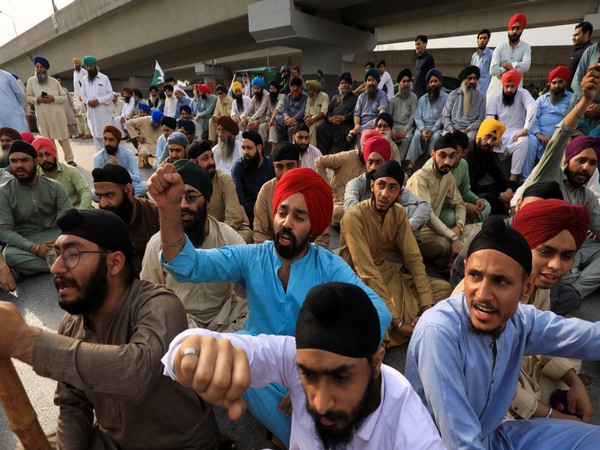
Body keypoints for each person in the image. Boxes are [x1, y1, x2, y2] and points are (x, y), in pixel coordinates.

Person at [147, 165, 392, 447]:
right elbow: (186, 266)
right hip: (261, 371)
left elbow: (379, 312)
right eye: (282, 212)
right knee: (233, 348)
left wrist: (314, 377)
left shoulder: (328, 266)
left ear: (315, 225)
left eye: (299, 216)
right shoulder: (252, 257)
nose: (286, 223)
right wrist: (167, 211)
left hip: (314, 370)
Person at [0, 208, 219, 448]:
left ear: (114, 262)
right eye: (56, 254)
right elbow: (73, 404)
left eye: (72, 254)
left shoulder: (159, 304)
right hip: (112, 440)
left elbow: (138, 374)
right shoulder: (72, 323)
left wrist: (27, 342)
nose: (55, 268)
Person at [163, 282, 446, 450]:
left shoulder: (410, 431)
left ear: (376, 361)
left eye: (341, 378)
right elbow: (197, 344)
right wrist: (192, 355)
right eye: (308, 375)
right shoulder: (296, 355)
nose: (320, 403)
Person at [405, 215, 600, 449]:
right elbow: (460, 441)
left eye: (500, 281)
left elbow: (588, 338)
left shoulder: (521, 320)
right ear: (465, 270)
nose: (482, 294)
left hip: (493, 435)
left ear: (526, 288)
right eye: (475, 276)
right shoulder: (439, 331)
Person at [340, 160, 451, 346]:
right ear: (372, 186)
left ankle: (413, 320)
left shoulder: (399, 214)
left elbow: (414, 258)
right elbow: (367, 272)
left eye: (392, 188)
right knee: (375, 317)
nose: (384, 193)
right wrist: (398, 322)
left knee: (444, 289)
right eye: (381, 185)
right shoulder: (354, 217)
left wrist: (426, 307)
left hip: (388, 273)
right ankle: (400, 325)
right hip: (357, 278)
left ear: (400, 193)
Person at [518, 66, 600, 300]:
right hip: (532, 255)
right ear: (567, 160)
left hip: (566, 257)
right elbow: (561, 135)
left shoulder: (586, 197)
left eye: (592, 163)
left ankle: (573, 292)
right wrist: (585, 101)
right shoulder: (549, 173)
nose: (586, 167)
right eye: (581, 160)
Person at [508, 199, 593, 423]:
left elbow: (543, 339)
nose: (556, 266)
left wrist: (574, 382)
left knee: (570, 356)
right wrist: (554, 416)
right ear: (521, 246)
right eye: (546, 251)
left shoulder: (538, 284)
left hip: (518, 365)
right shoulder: (490, 294)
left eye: (566, 256)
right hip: (490, 387)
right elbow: (492, 385)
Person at [141, 159, 247, 331]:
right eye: (177, 199)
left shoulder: (228, 237)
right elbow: (149, 295)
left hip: (225, 317)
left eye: (191, 197)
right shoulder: (156, 244)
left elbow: (253, 282)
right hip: (180, 321)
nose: (183, 206)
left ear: (207, 202)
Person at [0, 141, 71, 277]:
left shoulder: (54, 187)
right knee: (10, 255)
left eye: (24, 160)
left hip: (55, 236)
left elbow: (70, 218)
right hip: (26, 242)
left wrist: (61, 239)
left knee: (83, 240)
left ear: (36, 162)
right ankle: (68, 263)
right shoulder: (4, 192)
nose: (18, 165)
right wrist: (35, 248)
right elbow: (4, 230)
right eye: (13, 161)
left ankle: (29, 269)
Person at [343, 134, 432, 237]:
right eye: (370, 162)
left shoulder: (393, 186)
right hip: (364, 233)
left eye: (378, 162)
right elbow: (351, 208)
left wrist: (407, 227)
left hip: (390, 235)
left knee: (410, 210)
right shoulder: (355, 183)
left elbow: (425, 207)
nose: (373, 168)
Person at [406, 133, 473, 266]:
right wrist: (453, 237)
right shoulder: (420, 178)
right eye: (442, 155)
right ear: (433, 155)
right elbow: (428, 215)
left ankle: (446, 258)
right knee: (443, 243)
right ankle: (439, 260)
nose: (447, 161)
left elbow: (459, 204)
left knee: (477, 230)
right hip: (416, 233)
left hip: (436, 231)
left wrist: (459, 227)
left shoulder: (447, 177)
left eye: (452, 156)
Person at [253, 142, 329, 248]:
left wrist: (309, 258)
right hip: (275, 252)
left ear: (299, 163)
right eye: (279, 167)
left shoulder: (312, 188)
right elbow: (259, 234)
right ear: (273, 167)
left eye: (290, 166)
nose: (285, 173)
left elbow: (323, 236)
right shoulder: (266, 190)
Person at [93, 164, 159, 277]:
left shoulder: (155, 213)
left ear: (128, 190)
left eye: (109, 195)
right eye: (99, 197)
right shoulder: (101, 221)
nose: (103, 203)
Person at [188, 140, 253, 243]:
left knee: (247, 234)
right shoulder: (186, 186)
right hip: (196, 233)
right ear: (193, 162)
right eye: (205, 158)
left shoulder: (224, 180)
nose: (212, 162)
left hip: (223, 232)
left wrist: (216, 237)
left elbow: (234, 216)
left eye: (212, 157)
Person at [423, 130, 491, 224]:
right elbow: (433, 202)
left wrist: (476, 200)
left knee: (486, 205)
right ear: (433, 154)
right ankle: (465, 224)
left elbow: (465, 191)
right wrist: (465, 207)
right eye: (444, 155)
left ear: (464, 153)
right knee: (450, 219)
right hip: (438, 208)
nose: (448, 160)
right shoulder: (433, 169)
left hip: (456, 204)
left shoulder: (462, 165)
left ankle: (464, 223)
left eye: (453, 154)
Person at [522, 66, 573, 180]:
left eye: (560, 82)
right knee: (530, 143)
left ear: (566, 82)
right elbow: (532, 117)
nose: (556, 85)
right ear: (550, 84)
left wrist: (558, 134)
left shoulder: (572, 99)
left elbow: (572, 119)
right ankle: (524, 180)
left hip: (561, 134)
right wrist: (539, 134)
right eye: (554, 82)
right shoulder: (541, 99)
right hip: (539, 134)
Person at [486, 69, 537, 182]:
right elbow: (489, 116)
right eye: (507, 86)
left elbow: (532, 107)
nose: (509, 89)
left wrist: (526, 129)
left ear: (517, 86)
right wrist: (495, 134)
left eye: (512, 86)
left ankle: (513, 178)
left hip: (516, 132)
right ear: (503, 86)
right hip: (500, 133)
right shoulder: (497, 98)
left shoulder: (522, 93)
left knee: (523, 141)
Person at [25, 56, 76, 166]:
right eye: (37, 67)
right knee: (48, 142)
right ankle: (54, 161)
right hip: (43, 118)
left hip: (57, 116)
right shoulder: (31, 81)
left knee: (64, 139)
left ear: (46, 69)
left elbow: (64, 97)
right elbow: (28, 97)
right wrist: (37, 99)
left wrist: (53, 99)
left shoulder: (54, 82)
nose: (39, 69)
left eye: (41, 67)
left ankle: (70, 159)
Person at [466, 119, 515, 215]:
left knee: (514, 184)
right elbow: (472, 187)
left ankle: (509, 204)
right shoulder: (469, 154)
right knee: (489, 197)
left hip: (477, 189)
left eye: (493, 139)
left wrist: (508, 189)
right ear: (479, 136)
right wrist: (499, 195)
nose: (489, 142)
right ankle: (508, 209)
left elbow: (498, 175)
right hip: (468, 192)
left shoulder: (486, 151)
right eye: (487, 137)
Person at [406, 68, 448, 174]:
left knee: (436, 137)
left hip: (437, 128)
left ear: (440, 82)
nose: (433, 84)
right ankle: (410, 166)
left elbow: (443, 116)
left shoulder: (446, 98)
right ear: (428, 84)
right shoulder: (422, 99)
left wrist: (432, 130)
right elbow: (417, 117)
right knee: (415, 136)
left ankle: (430, 164)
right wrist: (423, 130)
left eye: (435, 81)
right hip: (423, 127)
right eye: (431, 82)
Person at [33, 137, 92, 209]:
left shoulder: (70, 170)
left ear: (55, 154)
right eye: (40, 156)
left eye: (48, 154)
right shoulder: (34, 176)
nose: (45, 159)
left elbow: (85, 191)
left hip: (75, 211)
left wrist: (81, 211)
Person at [231, 131, 275, 227]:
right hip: (248, 214)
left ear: (259, 148)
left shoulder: (271, 165)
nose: (245, 152)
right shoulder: (238, 167)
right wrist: (246, 222)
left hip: (270, 212)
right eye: (243, 148)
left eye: (249, 148)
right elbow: (238, 198)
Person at [487, 13, 531, 104]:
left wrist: (507, 65)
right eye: (512, 28)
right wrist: (513, 70)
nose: (514, 31)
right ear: (508, 30)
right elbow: (493, 70)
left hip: (515, 93)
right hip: (496, 91)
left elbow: (526, 66)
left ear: (522, 30)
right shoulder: (499, 48)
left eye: (518, 28)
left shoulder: (526, 47)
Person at [92, 126, 146, 197]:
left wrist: (119, 169)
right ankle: (123, 197)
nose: (107, 143)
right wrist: (108, 170)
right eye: (105, 139)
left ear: (118, 141)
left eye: (111, 140)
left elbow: (138, 178)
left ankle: (118, 198)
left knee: (145, 186)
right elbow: (98, 182)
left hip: (125, 186)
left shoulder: (128, 154)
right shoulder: (98, 157)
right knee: (92, 194)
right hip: (108, 189)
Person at [316, 72, 358, 154]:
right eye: (341, 83)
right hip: (332, 124)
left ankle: (339, 156)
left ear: (349, 84)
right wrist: (330, 118)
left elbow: (355, 112)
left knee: (347, 133)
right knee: (320, 129)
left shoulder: (354, 98)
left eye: (345, 83)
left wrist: (344, 118)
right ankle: (323, 155)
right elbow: (328, 110)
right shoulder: (335, 97)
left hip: (345, 124)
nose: (343, 85)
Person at [442, 65, 486, 141]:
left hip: (470, 130)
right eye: (469, 78)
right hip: (452, 128)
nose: (472, 81)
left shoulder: (482, 97)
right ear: (463, 80)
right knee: (446, 139)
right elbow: (445, 116)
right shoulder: (453, 95)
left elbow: (480, 119)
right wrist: (451, 130)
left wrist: (467, 129)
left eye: (475, 78)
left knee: (470, 138)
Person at [79, 55, 114, 151]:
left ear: (95, 66)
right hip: (92, 113)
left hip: (104, 114)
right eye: (87, 66)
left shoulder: (104, 78)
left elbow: (110, 94)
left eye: (91, 66)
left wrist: (99, 101)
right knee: (96, 136)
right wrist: (88, 102)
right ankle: (100, 159)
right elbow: (82, 95)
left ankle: (110, 157)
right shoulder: (85, 79)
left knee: (106, 135)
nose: (89, 68)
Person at [350, 68, 388, 141]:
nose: (370, 82)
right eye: (368, 80)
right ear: (366, 82)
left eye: (373, 80)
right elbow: (356, 114)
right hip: (362, 124)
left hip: (375, 123)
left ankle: (354, 132)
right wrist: (357, 125)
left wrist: (377, 120)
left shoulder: (382, 95)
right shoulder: (361, 97)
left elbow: (382, 111)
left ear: (377, 82)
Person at [388, 68, 418, 159]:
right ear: (399, 83)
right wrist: (392, 130)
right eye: (403, 81)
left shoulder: (413, 97)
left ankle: (398, 162)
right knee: (386, 136)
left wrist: (405, 130)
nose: (406, 84)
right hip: (394, 127)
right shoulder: (393, 99)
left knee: (407, 139)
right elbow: (389, 117)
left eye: (408, 81)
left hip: (407, 127)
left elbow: (413, 116)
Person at [275, 77, 308, 141]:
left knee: (291, 129)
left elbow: (302, 110)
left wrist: (294, 119)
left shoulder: (305, 96)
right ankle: (288, 123)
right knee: (277, 117)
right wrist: (286, 116)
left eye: (297, 90)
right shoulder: (289, 96)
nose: (295, 91)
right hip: (288, 118)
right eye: (293, 89)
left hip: (298, 119)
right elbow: (285, 109)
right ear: (290, 87)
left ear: (300, 87)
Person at [0, 69, 28, 133]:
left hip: (15, 116)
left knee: (22, 140)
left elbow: (20, 94)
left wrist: (19, 108)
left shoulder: (7, 76)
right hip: (4, 120)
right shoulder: (6, 75)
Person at [303, 80, 329, 146]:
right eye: (308, 90)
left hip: (320, 120)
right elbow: (306, 112)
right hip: (310, 121)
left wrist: (313, 120)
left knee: (311, 125)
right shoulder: (309, 98)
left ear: (316, 90)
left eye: (310, 90)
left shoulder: (324, 96)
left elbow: (323, 113)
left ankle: (310, 147)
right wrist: (308, 118)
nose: (308, 92)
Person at [568, 22, 594, 90]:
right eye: (573, 35)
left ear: (586, 34)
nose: (573, 38)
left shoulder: (591, 50)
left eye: (576, 35)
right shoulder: (576, 51)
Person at [471, 29, 494, 94]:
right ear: (477, 39)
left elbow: (493, 75)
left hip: (486, 92)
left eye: (484, 38)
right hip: (474, 91)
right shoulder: (474, 56)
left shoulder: (492, 54)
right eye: (480, 38)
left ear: (488, 40)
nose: (482, 40)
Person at [413, 35, 435, 99]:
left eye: (419, 44)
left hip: (424, 95)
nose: (417, 46)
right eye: (416, 44)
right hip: (415, 94)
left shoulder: (429, 58)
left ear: (425, 45)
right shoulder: (417, 60)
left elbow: (432, 77)